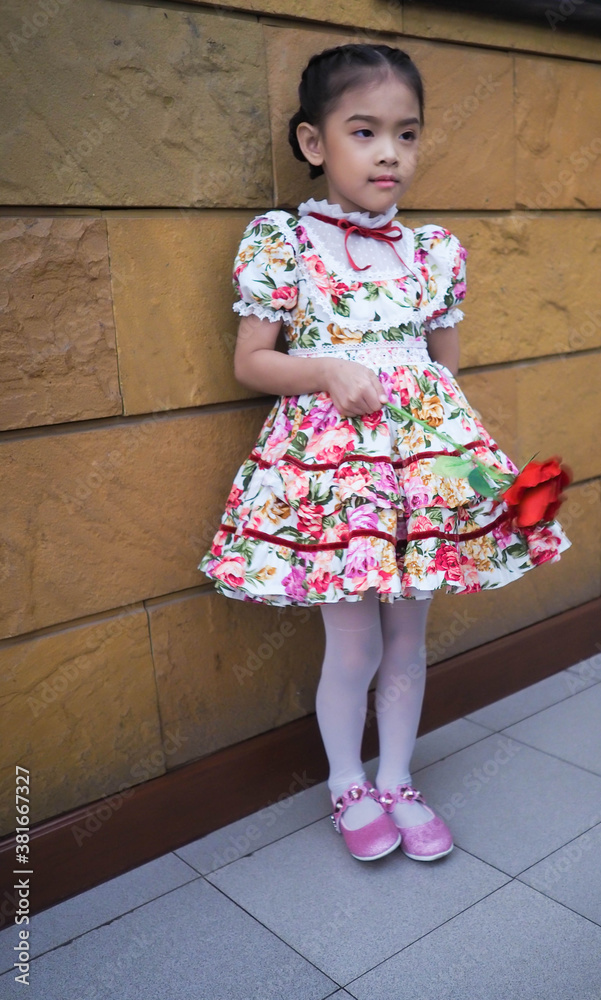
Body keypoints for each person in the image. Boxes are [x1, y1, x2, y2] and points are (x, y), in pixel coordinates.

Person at [198, 43, 572, 863]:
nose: (389, 153)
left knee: (408, 638)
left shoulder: (433, 250)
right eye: (364, 131)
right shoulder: (283, 243)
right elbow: (251, 361)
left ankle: (399, 777)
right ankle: (346, 782)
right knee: (356, 643)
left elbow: (445, 378)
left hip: (423, 474)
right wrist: (328, 369)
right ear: (313, 143)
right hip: (335, 481)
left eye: (406, 134)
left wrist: (484, 481)